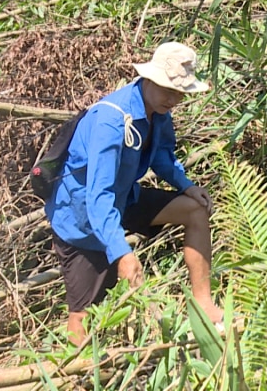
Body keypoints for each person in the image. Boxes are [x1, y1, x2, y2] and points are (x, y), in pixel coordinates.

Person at [44, 41, 224, 345]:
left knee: (195, 210)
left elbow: (162, 157)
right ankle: (78, 369)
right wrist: (122, 253)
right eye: (169, 90)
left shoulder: (159, 111)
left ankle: (205, 307)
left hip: (124, 198)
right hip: (83, 219)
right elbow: (97, 197)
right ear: (149, 79)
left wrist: (187, 186)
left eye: (180, 93)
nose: (174, 98)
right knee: (83, 312)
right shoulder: (111, 121)